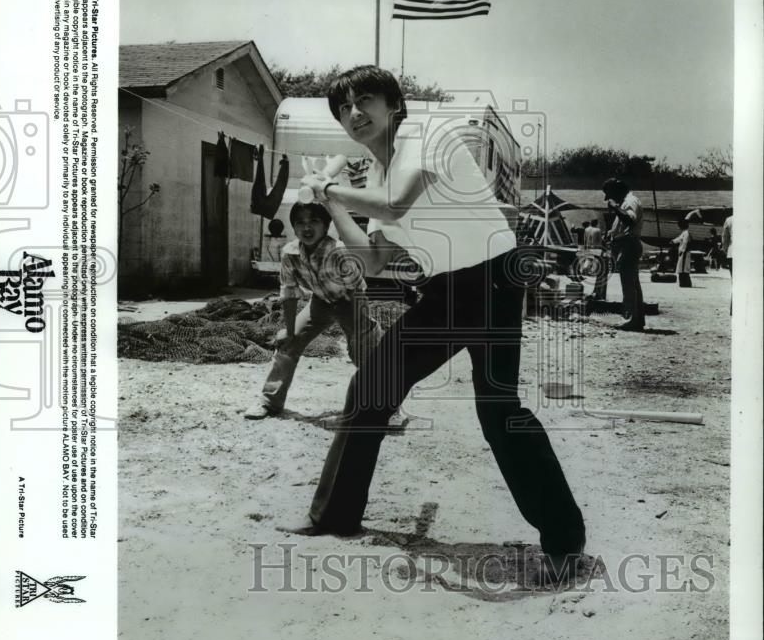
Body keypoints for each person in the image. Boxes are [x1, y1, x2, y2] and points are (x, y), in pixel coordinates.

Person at [288, 66, 586, 586]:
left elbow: (397, 204)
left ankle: (565, 542)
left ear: (394, 105)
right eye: (344, 108)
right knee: (371, 386)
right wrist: (333, 203)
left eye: (366, 101)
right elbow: (375, 262)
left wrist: (330, 186)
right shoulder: (374, 177)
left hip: (494, 283)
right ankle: (335, 515)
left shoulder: (430, 135)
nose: (355, 114)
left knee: (499, 415)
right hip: (444, 291)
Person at [244, 201, 381, 419]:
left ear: (326, 225)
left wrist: (359, 333)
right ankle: (269, 402)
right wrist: (289, 330)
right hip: (320, 302)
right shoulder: (290, 253)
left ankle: (383, 406)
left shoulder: (339, 251)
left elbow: (356, 291)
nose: (307, 228)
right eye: (300, 223)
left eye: (314, 221)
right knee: (288, 344)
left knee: (365, 352)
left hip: (350, 302)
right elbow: (289, 293)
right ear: (294, 227)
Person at [602, 177, 646, 331]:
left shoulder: (630, 201)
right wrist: (611, 233)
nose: (611, 199)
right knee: (632, 284)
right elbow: (622, 225)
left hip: (629, 245)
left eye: (611, 195)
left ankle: (632, 319)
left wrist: (615, 207)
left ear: (616, 191)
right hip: (627, 244)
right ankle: (637, 318)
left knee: (629, 285)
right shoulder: (626, 202)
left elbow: (630, 221)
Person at [671, 217, 693, 288]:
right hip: (683, 253)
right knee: (682, 268)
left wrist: (682, 250)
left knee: (683, 269)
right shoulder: (684, 233)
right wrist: (673, 241)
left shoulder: (686, 233)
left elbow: (685, 242)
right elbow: (679, 238)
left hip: (684, 253)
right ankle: (684, 283)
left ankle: (685, 283)